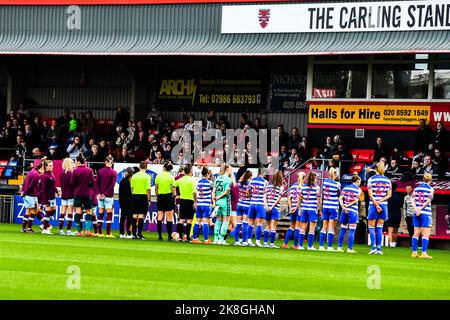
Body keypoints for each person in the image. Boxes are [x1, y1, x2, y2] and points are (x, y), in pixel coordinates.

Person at [367, 162, 392, 255]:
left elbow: (370, 194)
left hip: (373, 204)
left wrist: (376, 203)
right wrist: (380, 203)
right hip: (384, 205)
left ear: (376, 169)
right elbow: (389, 195)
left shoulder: (371, 179)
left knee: (371, 226)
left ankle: (373, 247)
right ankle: (379, 249)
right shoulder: (387, 180)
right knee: (380, 227)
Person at [411, 173, 435, 258]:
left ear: (423, 179)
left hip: (416, 212)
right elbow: (428, 201)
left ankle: (414, 252)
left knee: (416, 233)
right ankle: (424, 253)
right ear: (430, 180)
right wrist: (420, 209)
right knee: (426, 234)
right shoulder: (431, 189)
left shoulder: (416, 188)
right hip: (426, 213)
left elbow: (412, 200)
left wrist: (416, 209)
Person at [336, 175, 362, 253]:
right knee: (352, 230)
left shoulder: (345, 188)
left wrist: (343, 206)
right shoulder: (358, 189)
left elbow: (340, 198)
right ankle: (349, 248)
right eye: (359, 180)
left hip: (345, 210)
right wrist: (348, 205)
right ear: (357, 181)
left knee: (343, 229)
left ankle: (339, 247)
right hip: (353, 211)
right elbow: (356, 200)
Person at [71, 155, 95, 237]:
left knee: (78, 212)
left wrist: (77, 187)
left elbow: (72, 183)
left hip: (77, 194)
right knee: (89, 211)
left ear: (78, 162)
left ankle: (79, 232)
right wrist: (88, 187)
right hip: (87, 194)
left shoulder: (75, 171)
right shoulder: (89, 170)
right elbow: (93, 182)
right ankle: (87, 231)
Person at [172, 164, 197, 242]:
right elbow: (194, 192)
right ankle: (187, 238)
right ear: (190, 171)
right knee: (189, 220)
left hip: (182, 201)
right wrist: (195, 201)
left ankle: (180, 237)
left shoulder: (181, 179)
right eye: (192, 170)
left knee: (181, 220)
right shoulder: (192, 180)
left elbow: (172, 186)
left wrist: (175, 194)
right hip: (190, 201)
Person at [298, 172, 321, 250]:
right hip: (312, 209)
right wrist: (320, 210)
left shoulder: (303, 187)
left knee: (303, 228)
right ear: (315, 178)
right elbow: (318, 201)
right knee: (311, 229)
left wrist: (299, 209)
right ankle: (310, 246)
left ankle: (300, 246)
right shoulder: (317, 188)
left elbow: (299, 199)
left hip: (304, 208)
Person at [246, 167, 269, 247]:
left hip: (252, 203)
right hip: (260, 204)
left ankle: (248, 240)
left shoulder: (252, 180)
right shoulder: (265, 182)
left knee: (250, 223)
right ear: (263, 173)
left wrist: (251, 197)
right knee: (259, 224)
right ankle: (258, 241)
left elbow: (247, 191)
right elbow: (265, 194)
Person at [319, 168, 340, 251]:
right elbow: (339, 194)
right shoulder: (337, 184)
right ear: (335, 174)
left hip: (325, 206)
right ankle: (330, 246)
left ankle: (321, 246)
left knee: (324, 227)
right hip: (333, 206)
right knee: (331, 227)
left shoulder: (325, 182)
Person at [96, 156, 117, 238]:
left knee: (100, 213)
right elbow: (112, 185)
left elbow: (96, 183)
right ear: (111, 163)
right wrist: (105, 194)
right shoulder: (113, 172)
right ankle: (108, 233)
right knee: (109, 213)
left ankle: (100, 232)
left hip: (100, 195)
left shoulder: (100, 171)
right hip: (108, 196)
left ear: (105, 162)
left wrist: (99, 193)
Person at [283, 171, 305, 249]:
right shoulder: (304, 187)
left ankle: (285, 244)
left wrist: (291, 207)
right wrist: (297, 207)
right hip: (299, 209)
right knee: (298, 227)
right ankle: (295, 245)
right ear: (304, 178)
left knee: (291, 226)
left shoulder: (292, 187)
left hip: (292, 209)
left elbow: (289, 198)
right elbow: (301, 199)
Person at [192, 167, 214, 244]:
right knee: (205, 222)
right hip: (206, 204)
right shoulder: (210, 183)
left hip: (199, 204)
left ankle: (194, 238)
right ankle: (206, 240)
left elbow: (194, 192)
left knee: (197, 222)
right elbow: (214, 189)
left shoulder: (198, 182)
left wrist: (195, 202)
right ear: (208, 174)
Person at [154, 162, 176, 241]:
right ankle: (169, 236)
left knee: (160, 216)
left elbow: (156, 188)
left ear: (164, 167)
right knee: (169, 217)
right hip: (168, 196)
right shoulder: (171, 177)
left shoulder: (158, 176)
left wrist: (158, 196)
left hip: (160, 196)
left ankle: (160, 236)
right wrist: (174, 195)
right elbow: (173, 188)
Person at [212, 164, 233, 245]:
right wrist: (219, 197)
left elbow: (213, 191)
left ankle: (215, 239)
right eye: (230, 169)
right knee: (226, 220)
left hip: (218, 202)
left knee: (218, 220)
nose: (231, 170)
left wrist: (214, 200)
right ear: (227, 169)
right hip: (225, 202)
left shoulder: (217, 178)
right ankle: (221, 239)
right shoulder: (228, 179)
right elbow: (226, 192)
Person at [130, 162, 151, 240]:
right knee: (141, 216)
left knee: (134, 215)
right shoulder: (147, 176)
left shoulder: (134, 176)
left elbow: (131, 188)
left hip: (135, 195)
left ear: (139, 167)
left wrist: (133, 196)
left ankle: (134, 234)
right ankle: (139, 234)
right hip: (143, 196)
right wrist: (149, 199)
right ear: (146, 168)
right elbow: (148, 189)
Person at [263, 170, 284, 248]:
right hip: (275, 209)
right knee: (273, 226)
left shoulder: (268, 186)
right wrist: (272, 207)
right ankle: (271, 244)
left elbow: (264, 197)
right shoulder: (281, 187)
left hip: (267, 208)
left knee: (267, 226)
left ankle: (265, 243)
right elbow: (278, 199)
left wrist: (267, 206)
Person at [20, 162, 43, 233]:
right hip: (31, 195)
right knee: (34, 211)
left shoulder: (31, 172)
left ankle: (24, 228)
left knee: (28, 211)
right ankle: (29, 228)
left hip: (26, 194)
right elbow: (32, 185)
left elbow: (24, 182)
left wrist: (22, 191)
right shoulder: (36, 174)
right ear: (41, 168)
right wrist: (25, 192)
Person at [233, 170, 252, 246]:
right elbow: (249, 194)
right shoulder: (249, 185)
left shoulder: (240, 183)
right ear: (249, 177)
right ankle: (244, 241)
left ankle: (236, 241)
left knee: (238, 224)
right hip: (246, 205)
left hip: (239, 204)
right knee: (245, 223)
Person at [38, 160, 57, 234]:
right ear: (46, 166)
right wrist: (45, 201)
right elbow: (44, 189)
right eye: (50, 165)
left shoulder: (51, 174)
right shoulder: (45, 176)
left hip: (52, 197)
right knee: (48, 212)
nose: (52, 167)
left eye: (52, 165)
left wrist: (56, 190)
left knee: (53, 210)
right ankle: (45, 228)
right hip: (48, 197)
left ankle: (45, 224)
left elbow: (52, 185)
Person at [59, 158, 76, 236]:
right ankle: (68, 230)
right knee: (70, 212)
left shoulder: (61, 173)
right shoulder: (71, 173)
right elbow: (72, 184)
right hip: (71, 194)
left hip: (64, 194)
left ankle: (61, 230)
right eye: (72, 162)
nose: (73, 163)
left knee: (62, 212)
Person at [119, 167, 135, 239]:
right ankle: (128, 234)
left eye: (126, 171)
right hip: (130, 203)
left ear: (128, 173)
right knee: (129, 218)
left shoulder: (123, 181)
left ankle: (122, 233)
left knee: (123, 218)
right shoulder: (132, 181)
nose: (125, 172)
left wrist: (120, 202)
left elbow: (120, 193)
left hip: (124, 202)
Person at [387, 182, 403, 247]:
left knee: (390, 230)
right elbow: (401, 206)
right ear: (396, 188)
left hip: (390, 213)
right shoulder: (399, 197)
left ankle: (390, 244)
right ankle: (394, 244)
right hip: (397, 214)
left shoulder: (388, 196)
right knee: (396, 230)